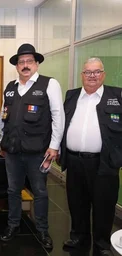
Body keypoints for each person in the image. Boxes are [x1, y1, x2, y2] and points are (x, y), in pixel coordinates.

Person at [0, 43, 65, 249]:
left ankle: (43, 230)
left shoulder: (49, 84)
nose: (25, 65)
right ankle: (13, 224)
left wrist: (54, 146)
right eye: (21, 62)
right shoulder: (10, 88)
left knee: (40, 191)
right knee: (12, 190)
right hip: (12, 151)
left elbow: (58, 116)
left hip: (38, 152)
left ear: (36, 64)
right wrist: (2, 141)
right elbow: (4, 118)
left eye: (29, 61)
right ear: (17, 66)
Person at [60, 57, 121, 256]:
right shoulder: (72, 96)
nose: (92, 76)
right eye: (88, 72)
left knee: (104, 205)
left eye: (96, 72)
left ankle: (102, 244)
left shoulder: (117, 95)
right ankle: (79, 237)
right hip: (75, 160)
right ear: (82, 75)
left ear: (103, 74)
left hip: (104, 163)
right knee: (77, 202)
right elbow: (61, 124)